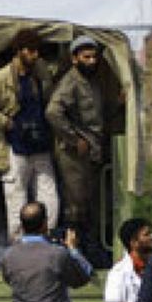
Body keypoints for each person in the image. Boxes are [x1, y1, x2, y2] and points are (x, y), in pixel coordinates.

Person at [0, 28, 58, 244]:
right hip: (13, 147)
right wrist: (5, 122)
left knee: (50, 197)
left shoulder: (41, 71)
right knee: (16, 199)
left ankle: (48, 237)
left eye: (37, 50)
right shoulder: (1, 78)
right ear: (18, 51)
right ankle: (19, 245)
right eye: (30, 50)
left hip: (40, 144)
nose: (35, 55)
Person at [46, 35, 118, 264]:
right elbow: (53, 112)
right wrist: (73, 138)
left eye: (94, 56)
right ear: (75, 59)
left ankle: (90, 251)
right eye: (86, 57)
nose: (92, 61)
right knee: (75, 207)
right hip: (73, 155)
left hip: (91, 152)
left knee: (90, 205)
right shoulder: (71, 81)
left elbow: (96, 116)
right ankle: (74, 254)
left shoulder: (92, 82)